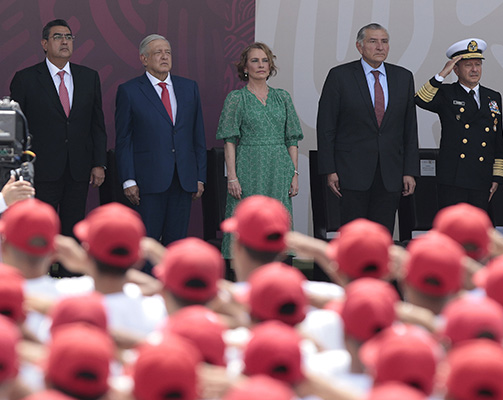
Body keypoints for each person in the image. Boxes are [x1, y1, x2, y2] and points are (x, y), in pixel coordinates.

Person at [9, 19, 107, 245]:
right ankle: (41, 276)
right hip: (41, 170)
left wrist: (99, 163)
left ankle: (69, 275)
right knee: (40, 229)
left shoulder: (88, 77)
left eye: (69, 37)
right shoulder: (26, 78)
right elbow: (16, 128)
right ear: (44, 43)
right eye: (58, 37)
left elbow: (97, 124)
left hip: (78, 170)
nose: (65, 41)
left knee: (73, 229)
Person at [317, 23, 419, 234]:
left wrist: (410, 171)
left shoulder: (403, 77)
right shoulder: (340, 76)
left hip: (390, 173)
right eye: (373, 41)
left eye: (384, 41)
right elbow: (326, 126)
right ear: (359, 46)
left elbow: (409, 129)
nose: (380, 47)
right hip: (351, 172)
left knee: (382, 237)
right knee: (353, 236)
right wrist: (329, 170)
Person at [115, 34, 207, 258]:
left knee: (177, 246)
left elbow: (198, 136)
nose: (165, 56)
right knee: (147, 244)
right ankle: (146, 290)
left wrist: (200, 177)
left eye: (168, 52)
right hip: (148, 181)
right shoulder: (130, 91)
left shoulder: (188, 88)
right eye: (158, 52)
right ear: (144, 59)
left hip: (183, 179)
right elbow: (124, 139)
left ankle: (171, 290)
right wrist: (129, 179)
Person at [216, 42, 303, 260]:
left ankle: (278, 276)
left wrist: (294, 173)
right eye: (255, 61)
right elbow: (229, 140)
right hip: (248, 167)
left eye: (265, 60)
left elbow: (292, 139)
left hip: (279, 168)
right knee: (247, 219)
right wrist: (232, 177)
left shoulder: (282, 97)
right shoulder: (236, 99)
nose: (261, 65)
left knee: (277, 220)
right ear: (245, 67)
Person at [415, 38, 503, 211]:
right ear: (456, 69)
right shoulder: (446, 92)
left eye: (478, 64)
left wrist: (497, 177)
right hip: (454, 177)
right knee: (453, 229)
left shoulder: (492, 96)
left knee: (479, 231)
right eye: (468, 65)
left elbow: (498, 138)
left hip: (482, 177)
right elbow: (420, 99)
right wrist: (442, 74)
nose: (474, 70)